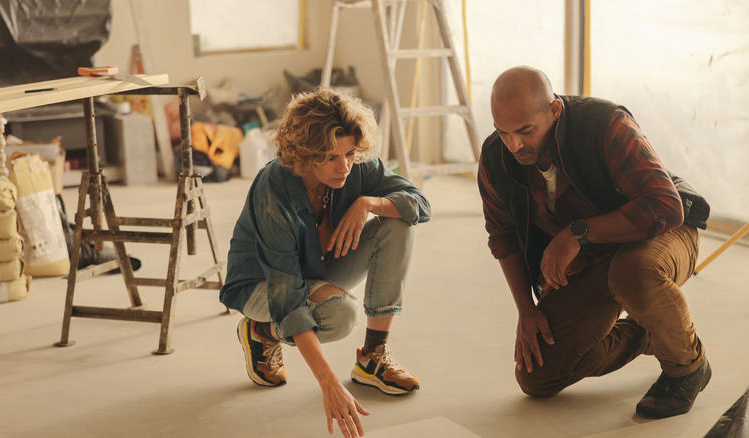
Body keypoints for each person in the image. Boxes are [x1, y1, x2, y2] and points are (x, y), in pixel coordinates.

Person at [477, 66, 712, 419]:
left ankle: (686, 367)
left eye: (525, 131)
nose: (514, 145)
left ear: (553, 111)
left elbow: (665, 207)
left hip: (664, 232)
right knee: (537, 376)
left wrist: (577, 233)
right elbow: (503, 236)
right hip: (596, 254)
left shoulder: (604, 124)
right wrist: (526, 308)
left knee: (633, 271)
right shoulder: (497, 157)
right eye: (503, 131)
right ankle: (650, 332)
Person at [220, 87, 430, 437]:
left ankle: (372, 357)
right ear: (305, 154)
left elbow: (419, 203)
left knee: (397, 220)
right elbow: (287, 296)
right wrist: (328, 383)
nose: (344, 166)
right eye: (331, 157)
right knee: (340, 316)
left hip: (320, 269)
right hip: (263, 284)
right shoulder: (273, 188)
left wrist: (369, 204)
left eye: (349, 153)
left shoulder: (357, 168)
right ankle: (260, 331)